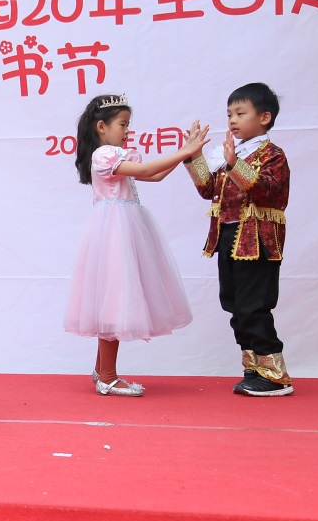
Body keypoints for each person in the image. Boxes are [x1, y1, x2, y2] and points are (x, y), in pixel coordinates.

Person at [65, 94, 208, 396]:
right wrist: (184, 150)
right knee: (115, 297)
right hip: (115, 230)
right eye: (123, 124)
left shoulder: (114, 155)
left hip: (124, 226)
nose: (128, 130)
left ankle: (102, 370)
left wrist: (186, 155)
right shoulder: (104, 155)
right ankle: (107, 376)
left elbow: (155, 175)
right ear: (101, 127)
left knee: (115, 296)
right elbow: (146, 171)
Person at [183, 83, 293, 396]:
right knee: (234, 303)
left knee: (253, 305)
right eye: (230, 114)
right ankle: (253, 367)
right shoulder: (231, 154)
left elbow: (267, 190)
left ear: (264, 117)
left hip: (258, 239)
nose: (232, 120)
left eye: (240, 113)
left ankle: (275, 376)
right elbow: (208, 189)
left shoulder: (272, 155)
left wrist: (234, 164)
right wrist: (194, 155)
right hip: (229, 235)